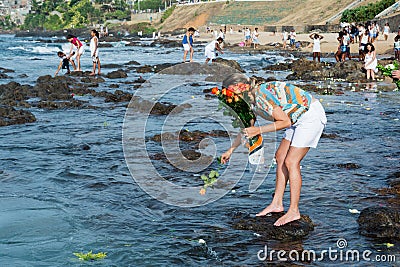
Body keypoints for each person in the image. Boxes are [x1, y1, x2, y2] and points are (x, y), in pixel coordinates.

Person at [220, 73, 327, 226]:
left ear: (241, 87)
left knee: (291, 162)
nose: (230, 98)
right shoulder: (249, 102)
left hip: (310, 115)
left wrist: (258, 131)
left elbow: (284, 122)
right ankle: (277, 203)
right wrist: (230, 150)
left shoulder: (261, 94)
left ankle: (294, 211)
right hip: (296, 118)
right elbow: (247, 128)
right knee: (280, 157)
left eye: (231, 93)